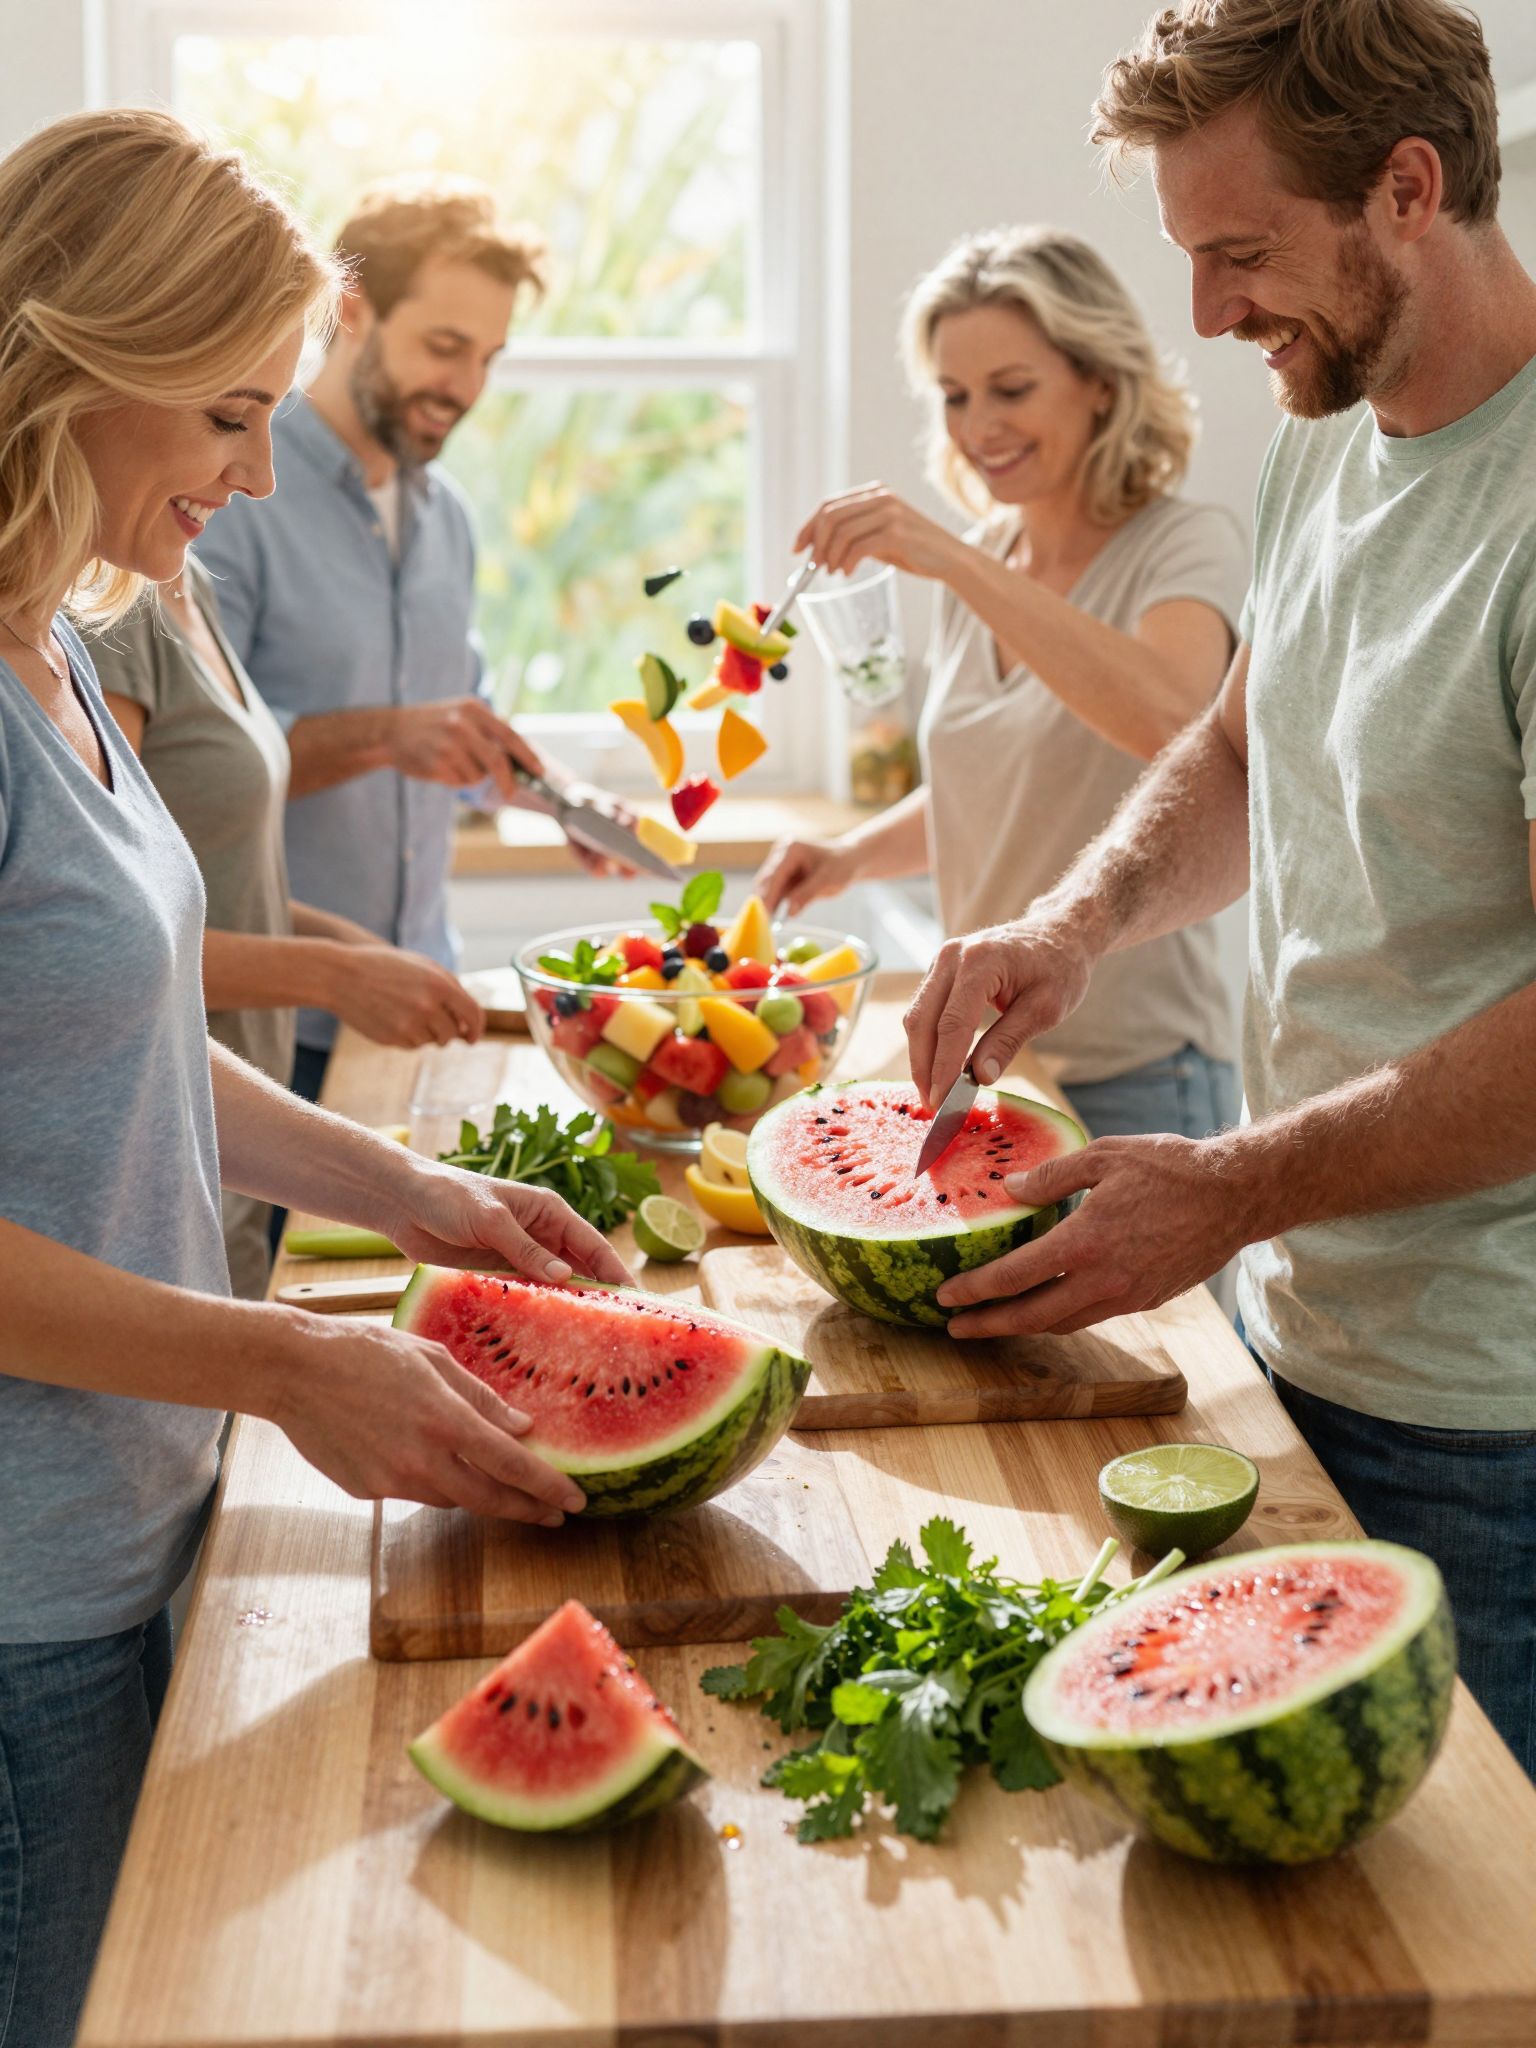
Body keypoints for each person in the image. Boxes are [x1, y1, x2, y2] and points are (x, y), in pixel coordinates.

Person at [0, 110, 630, 2048]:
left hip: (135, 1499)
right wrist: (287, 1360)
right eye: (217, 416)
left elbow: (125, 1039)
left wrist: (413, 1195)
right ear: (68, 364)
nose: (252, 473)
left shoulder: (63, 648)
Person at [903, 0, 1536, 1774]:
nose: (1205, 315)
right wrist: (1073, 922)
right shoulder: (1334, 426)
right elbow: (1243, 752)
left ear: (1408, 188)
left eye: (1242, 254)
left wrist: (1235, 1183)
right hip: (1310, 1333)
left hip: (1490, 1404)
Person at [755, 227, 1247, 1140]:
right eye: (954, 396)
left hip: (1137, 1073)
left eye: (1012, 389)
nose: (979, 427)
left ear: (1101, 380)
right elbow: (997, 787)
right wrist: (850, 855)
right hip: (983, 1069)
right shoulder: (986, 561)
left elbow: (1181, 728)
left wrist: (949, 560)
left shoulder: (1184, 544)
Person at [196, 173, 633, 1105]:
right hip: (271, 1028)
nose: (466, 387)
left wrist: (559, 797)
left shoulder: (448, 521)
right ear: (351, 311)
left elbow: (449, 736)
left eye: (488, 356)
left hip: (422, 1000)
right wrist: (388, 735)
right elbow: (196, 773)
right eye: (444, 347)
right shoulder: (227, 503)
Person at [90, 560, 485, 1298]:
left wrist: (345, 942)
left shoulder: (189, 587)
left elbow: (206, 889)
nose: (263, 478)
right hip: (166, 1141)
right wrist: (333, 977)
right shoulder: (107, 621)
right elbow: (114, 950)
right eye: (229, 432)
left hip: (237, 1136)